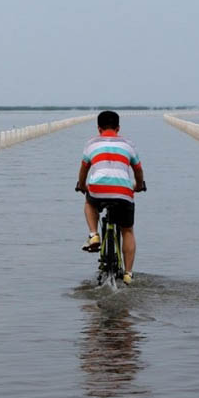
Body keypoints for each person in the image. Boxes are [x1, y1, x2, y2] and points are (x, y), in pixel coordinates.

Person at [76, 110, 145, 285]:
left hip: (98, 189)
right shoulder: (128, 145)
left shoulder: (91, 144)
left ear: (99, 128)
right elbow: (138, 170)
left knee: (89, 203)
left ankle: (93, 235)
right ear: (118, 128)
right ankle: (128, 274)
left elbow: (84, 169)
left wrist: (82, 185)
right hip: (123, 191)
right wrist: (139, 185)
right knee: (127, 230)